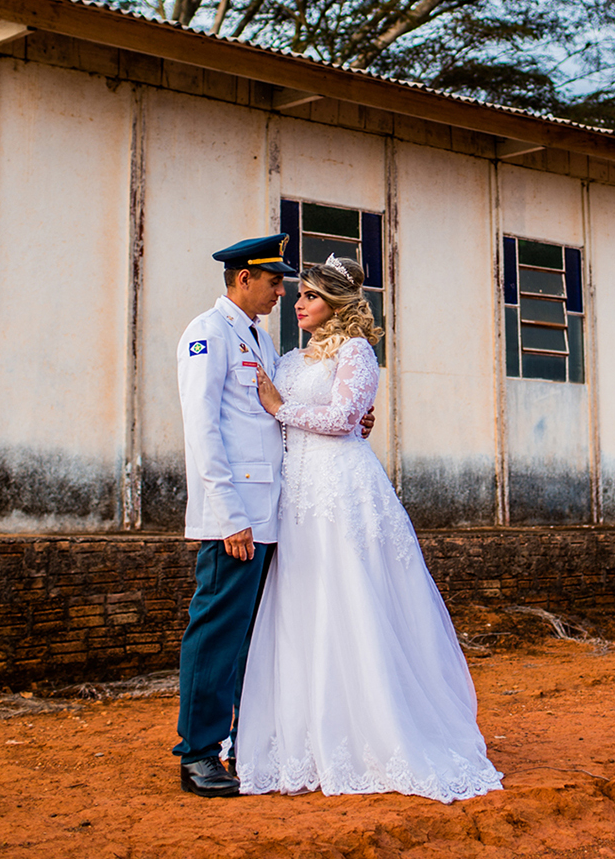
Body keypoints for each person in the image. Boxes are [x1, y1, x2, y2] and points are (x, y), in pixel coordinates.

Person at [235, 254, 503, 803]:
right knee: (303, 606)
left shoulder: (357, 351)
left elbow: (340, 420)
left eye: (308, 296)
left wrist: (279, 408)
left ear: (335, 304)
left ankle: (375, 729)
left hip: (342, 489)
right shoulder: (288, 358)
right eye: (298, 294)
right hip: (299, 495)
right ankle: (305, 731)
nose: (297, 303)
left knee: (351, 599)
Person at [173, 234, 293, 797]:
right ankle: (198, 751)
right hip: (236, 514)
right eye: (273, 281)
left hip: (267, 510)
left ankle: (240, 745)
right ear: (244, 277)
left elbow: (271, 417)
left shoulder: (260, 341)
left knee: (249, 636)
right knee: (217, 632)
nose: (280, 292)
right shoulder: (208, 334)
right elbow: (202, 430)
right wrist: (227, 515)